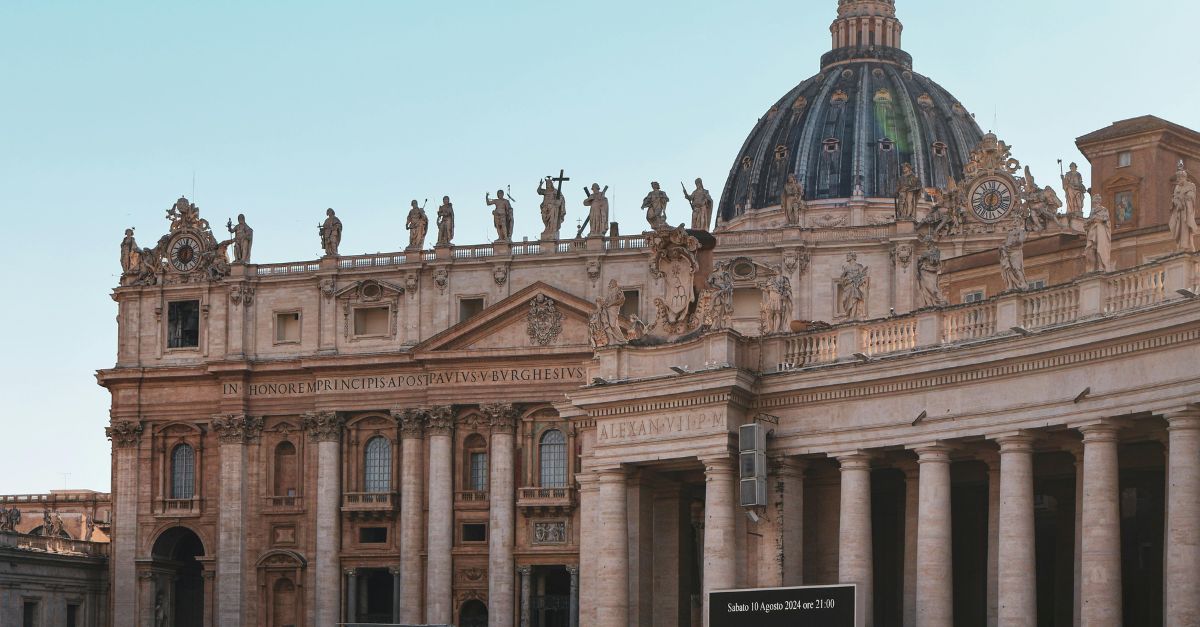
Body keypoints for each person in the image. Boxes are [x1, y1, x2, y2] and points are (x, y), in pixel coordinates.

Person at [1170, 161, 1198, 253]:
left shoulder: (1191, 186)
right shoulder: (1177, 187)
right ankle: (1181, 246)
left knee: (1186, 228)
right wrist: (1176, 201)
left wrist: (1183, 199)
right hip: (1179, 213)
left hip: (1186, 211)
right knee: (1179, 229)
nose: (1178, 180)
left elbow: (1191, 197)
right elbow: (1174, 198)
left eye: (1179, 178)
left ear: (1184, 177)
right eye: (1177, 178)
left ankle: (1186, 246)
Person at [1084, 193, 1114, 273]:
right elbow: (1088, 222)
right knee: (1091, 249)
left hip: (1100, 230)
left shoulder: (1103, 209)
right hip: (1092, 231)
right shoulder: (1092, 212)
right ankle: (1091, 268)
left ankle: (1101, 266)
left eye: (1098, 199)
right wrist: (1089, 222)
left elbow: (1105, 219)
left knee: (1100, 248)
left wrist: (1096, 219)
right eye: (1095, 199)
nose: (1096, 200)